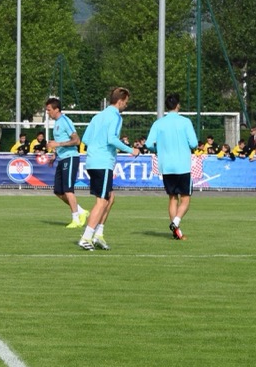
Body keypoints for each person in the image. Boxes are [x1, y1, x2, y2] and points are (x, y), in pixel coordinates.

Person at [76, 87, 139, 251]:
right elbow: (112, 139)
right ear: (120, 101)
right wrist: (130, 149)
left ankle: (98, 234)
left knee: (110, 198)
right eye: (126, 102)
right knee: (102, 201)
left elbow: (86, 139)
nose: (126, 105)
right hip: (102, 162)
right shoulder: (115, 116)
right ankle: (86, 237)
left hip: (92, 161)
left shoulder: (98, 116)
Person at [145, 94, 197, 241]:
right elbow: (193, 143)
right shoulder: (185, 122)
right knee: (185, 199)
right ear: (178, 105)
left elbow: (149, 144)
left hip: (166, 166)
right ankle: (176, 223)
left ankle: (176, 232)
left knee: (172, 198)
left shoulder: (158, 123)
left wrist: (158, 149)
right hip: (182, 166)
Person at [44, 98, 89, 228]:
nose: (48, 113)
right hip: (62, 158)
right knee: (58, 191)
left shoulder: (65, 121)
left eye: (49, 110)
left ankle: (76, 219)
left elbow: (76, 140)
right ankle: (81, 211)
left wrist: (57, 144)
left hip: (70, 158)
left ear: (56, 109)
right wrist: (55, 154)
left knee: (68, 189)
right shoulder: (57, 123)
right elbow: (62, 141)